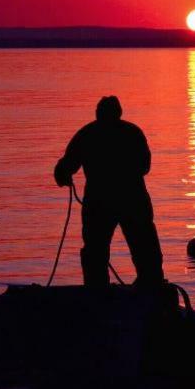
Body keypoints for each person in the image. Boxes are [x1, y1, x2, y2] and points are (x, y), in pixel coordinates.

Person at [53, 96, 164, 287]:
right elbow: (145, 166)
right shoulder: (132, 133)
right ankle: (151, 285)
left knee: (97, 250)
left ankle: (98, 291)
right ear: (118, 113)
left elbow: (64, 168)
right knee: (143, 245)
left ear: (98, 114)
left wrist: (63, 176)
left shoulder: (87, 134)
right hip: (131, 199)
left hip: (101, 202)